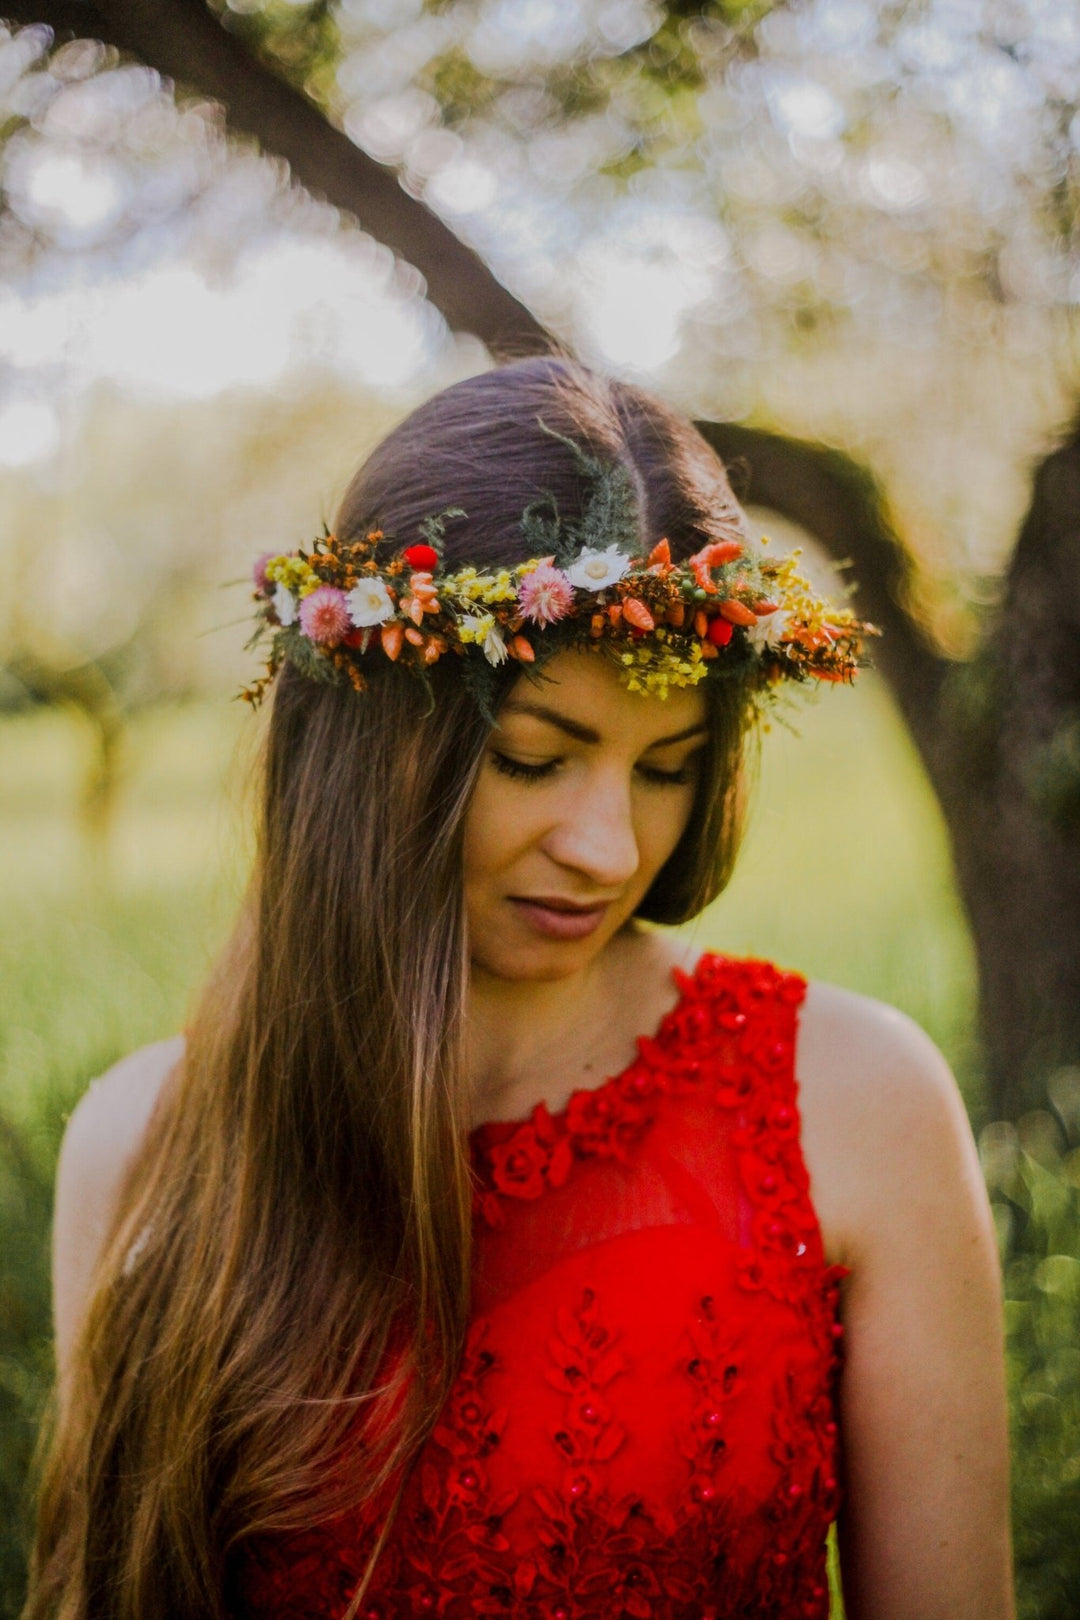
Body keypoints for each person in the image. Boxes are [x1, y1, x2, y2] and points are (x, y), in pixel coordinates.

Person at [24, 356, 1013, 1620]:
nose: (608, 847)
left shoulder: (859, 1104)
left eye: (668, 768)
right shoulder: (144, 1147)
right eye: (535, 758)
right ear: (374, 732)